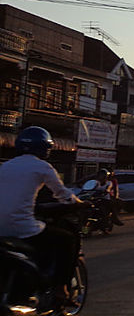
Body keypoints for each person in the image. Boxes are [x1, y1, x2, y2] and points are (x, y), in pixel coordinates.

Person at [0, 126, 82, 304]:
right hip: (22, 227)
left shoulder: (5, 166)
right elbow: (63, 194)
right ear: (45, 147)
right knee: (67, 239)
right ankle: (61, 289)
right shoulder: (43, 167)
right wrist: (78, 203)